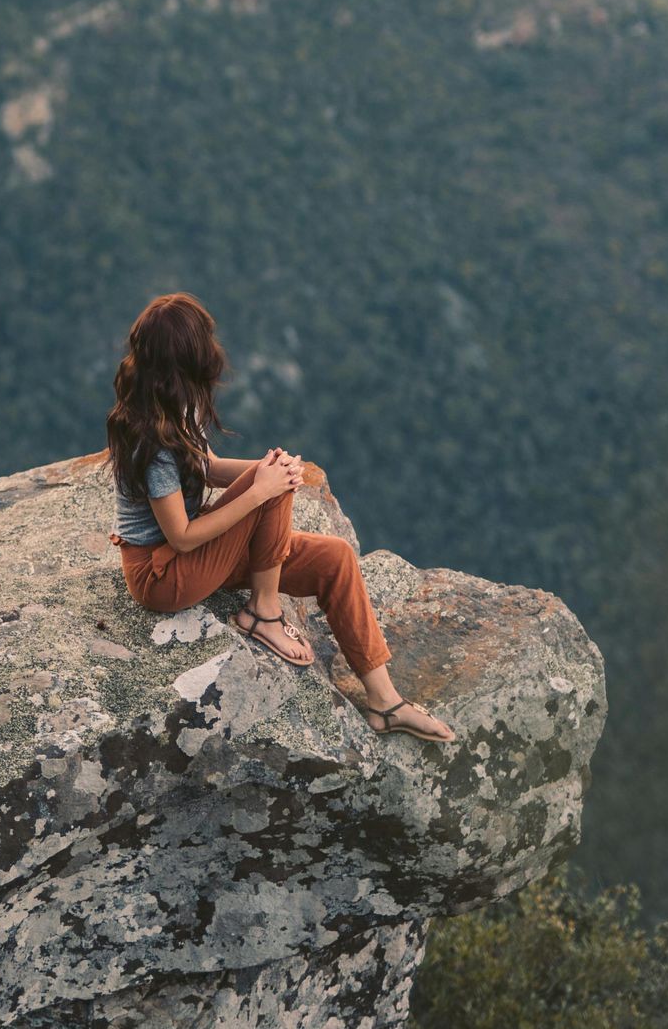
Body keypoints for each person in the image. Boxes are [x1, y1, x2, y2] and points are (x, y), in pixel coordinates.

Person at [106, 290, 454, 743]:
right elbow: (183, 537)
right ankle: (263, 613)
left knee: (336, 557)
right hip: (163, 573)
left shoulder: (178, 405)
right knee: (268, 491)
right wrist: (259, 492)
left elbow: (207, 468)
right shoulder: (147, 439)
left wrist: (266, 471)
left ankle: (385, 703)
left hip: (199, 558)